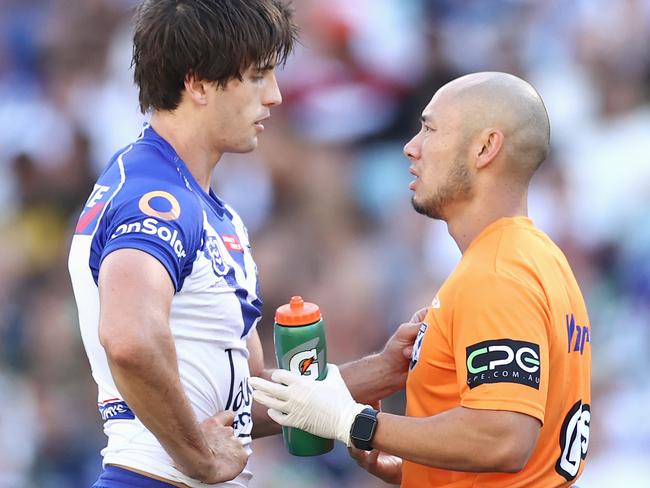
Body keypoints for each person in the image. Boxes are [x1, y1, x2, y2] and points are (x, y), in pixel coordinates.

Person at [68, 1, 422, 486]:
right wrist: (199, 457)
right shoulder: (155, 197)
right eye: (257, 76)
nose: (275, 96)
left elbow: (242, 408)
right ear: (196, 83)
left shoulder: (208, 206)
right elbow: (129, 340)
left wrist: (378, 371)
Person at [250, 72, 592, 487]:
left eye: (429, 129)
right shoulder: (539, 260)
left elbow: (503, 437)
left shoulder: (498, 273)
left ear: (485, 148)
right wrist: (415, 469)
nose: (411, 148)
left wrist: (354, 421)